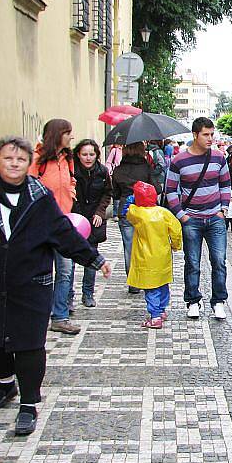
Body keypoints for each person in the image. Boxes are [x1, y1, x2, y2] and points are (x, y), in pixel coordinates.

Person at [0, 136, 111, 435]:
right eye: (8, 158)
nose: (15, 164)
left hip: (31, 282)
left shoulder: (39, 196)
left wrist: (94, 259)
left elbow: (63, 233)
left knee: (30, 343)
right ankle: (6, 385)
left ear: (28, 162)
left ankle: (29, 404)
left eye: (21, 159)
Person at [166, 117, 232, 320]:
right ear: (195, 135)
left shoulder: (219, 157)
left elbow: (225, 185)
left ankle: (218, 301)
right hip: (191, 219)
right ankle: (193, 300)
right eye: (206, 134)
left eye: (212, 134)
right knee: (192, 262)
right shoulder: (179, 160)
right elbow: (170, 190)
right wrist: (182, 216)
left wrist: (223, 209)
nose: (210, 138)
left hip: (215, 218)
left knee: (219, 261)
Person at [28, 118, 80, 334]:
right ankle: (37, 314)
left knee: (65, 271)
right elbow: (28, 188)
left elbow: (70, 180)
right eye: (68, 133)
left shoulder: (68, 159)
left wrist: (71, 189)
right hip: (40, 224)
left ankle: (60, 316)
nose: (71, 137)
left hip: (63, 222)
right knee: (40, 272)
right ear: (57, 135)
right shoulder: (38, 160)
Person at [124, 182, 182, 329]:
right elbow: (176, 229)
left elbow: (127, 212)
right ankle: (162, 310)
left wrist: (131, 202)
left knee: (151, 287)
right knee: (163, 284)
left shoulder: (137, 213)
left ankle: (155, 316)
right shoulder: (164, 213)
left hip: (145, 257)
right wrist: (176, 245)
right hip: (162, 255)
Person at [70, 139, 112, 307]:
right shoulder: (72, 171)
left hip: (95, 219)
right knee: (70, 258)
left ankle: (88, 293)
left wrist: (100, 212)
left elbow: (107, 193)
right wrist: (78, 216)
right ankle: (68, 296)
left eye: (91, 154)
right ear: (78, 155)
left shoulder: (102, 171)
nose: (88, 158)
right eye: (84, 154)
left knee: (91, 255)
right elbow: (71, 195)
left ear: (97, 155)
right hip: (75, 218)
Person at [111, 141, 156, 294]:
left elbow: (115, 194)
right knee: (146, 245)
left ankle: (133, 283)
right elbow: (156, 187)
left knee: (129, 247)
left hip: (126, 210)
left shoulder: (119, 170)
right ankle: (146, 278)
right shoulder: (146, 168)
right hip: (145, 210)